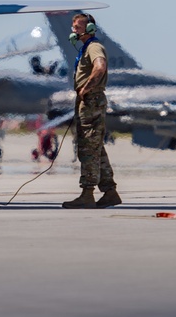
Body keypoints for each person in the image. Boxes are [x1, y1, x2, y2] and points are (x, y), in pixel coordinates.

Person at [62, 13, 121, 209]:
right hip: (88, 102)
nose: (74, 31)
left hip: (91, 101)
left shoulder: (94, 47)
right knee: (96, 147)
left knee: (88, 148)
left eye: (78, 27)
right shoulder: (86, 48)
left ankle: (87, 194)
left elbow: (100, 67)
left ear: (89, 29)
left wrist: (86, 88)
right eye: (74, 27)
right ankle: (110, 192)